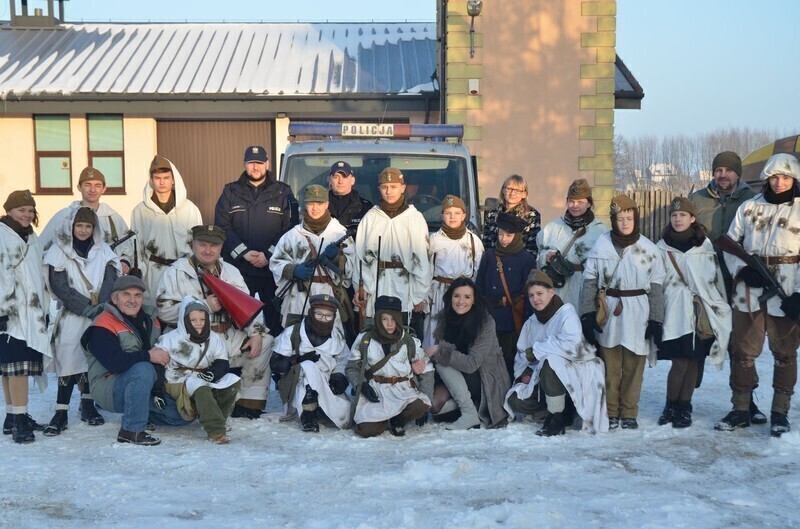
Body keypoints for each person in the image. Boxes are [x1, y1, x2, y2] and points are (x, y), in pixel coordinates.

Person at [715, 153, 800, 438]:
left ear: (794, 179)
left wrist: (798, 294)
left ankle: (780, 412)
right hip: (748, 292)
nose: (779, 183)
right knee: (742, 352)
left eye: (785, 177)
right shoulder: (750, 208)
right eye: (774, 177)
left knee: (785, 354)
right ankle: (741, 409)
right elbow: (730, 245)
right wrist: (742, 270)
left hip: (787, 289)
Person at [155, 225, 272, 420]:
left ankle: (248, 404)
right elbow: (164, 310)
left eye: (214, 245)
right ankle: (195, 401)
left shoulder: (231, 272)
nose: (208, 250)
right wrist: (203, 306)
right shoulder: (176, 272)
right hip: (191, 342)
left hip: (225, 336)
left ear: (221, 247)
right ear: (193, 244)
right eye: (202, 245)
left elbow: (248, 306)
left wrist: (256, 333)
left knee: (265, 341)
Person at [689, 151, 765, 424]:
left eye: (728, 170)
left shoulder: (752, 200)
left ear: (738, 174)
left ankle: (747, 402)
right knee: (697, 339)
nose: (723, 175)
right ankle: (681, 400)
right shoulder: (697, 199)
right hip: (705, 281)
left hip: (739, 280)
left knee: (740, 344)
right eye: (718, 170)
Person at [580, 195, 665, 430]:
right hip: (609, 312)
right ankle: (611, 411)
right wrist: (587, 313)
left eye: (629, 218)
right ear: (613, 220)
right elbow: (589, 280)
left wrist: (656, 320)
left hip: (638, 310)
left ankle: (629, 411)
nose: (625, 223)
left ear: (635, 218)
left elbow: (656, 287)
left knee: (633, 366)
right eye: (620, 219)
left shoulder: (649, 248)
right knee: (610, 366)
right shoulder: (602, 245)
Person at [81, 276, 192, 446]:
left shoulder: (151, 319)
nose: (132, 300)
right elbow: (115, 363)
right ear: (114, 298)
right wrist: (148, 355)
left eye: (138, 295)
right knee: (143, 368)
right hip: (108, 386)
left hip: (144, 385)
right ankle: (131, 430)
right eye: (126, 294)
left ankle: (138, 413)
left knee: (180, 416)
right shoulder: (102, 324)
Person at [42, 206, 121, 436]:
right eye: (80, 226)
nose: (84, 230)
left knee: (91, 359)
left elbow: (110, 277)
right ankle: (61, 411)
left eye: (88, 226)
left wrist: (101, 305)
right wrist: (85, 308)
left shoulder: (104, 250)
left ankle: (88, 404)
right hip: (73, 315)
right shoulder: (59, 251)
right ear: (71, 226)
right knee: (68, 357)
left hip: (99, 313)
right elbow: (60, 286)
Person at [655, 197, 731, 428]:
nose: (678, 219)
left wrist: (720, 307)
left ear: (692, 218)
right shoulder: (661, 247)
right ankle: (671, 405)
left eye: (683, 215)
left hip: (701, 312)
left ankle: (684, 406)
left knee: (695, 361)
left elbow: (715, 279)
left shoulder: (705, 247)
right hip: (674, 313)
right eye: (674, 215)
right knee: (679, 361)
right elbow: (657, 281)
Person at [504, 271, 608, 436]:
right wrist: (526, 371)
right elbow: (522, 352)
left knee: (550, 361)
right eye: (531, 295)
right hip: (542, 375)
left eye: (540, 294)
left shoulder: (566, 314)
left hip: (576, 367)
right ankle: (562, 407)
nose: (535, 299)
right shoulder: (531, 322)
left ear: (551, 293)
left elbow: (571, 344)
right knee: (514, 401)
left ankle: (556, 416)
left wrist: (537, 351)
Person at [215, 146, 297, 337]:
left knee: (276, 322)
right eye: (251, 162)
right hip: (239, 270)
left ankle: (276, 362)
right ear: (245, 164)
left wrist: (269, 255)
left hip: (272, 271)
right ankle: (239, 362)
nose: (255, 167)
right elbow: (222, 225)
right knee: (238, 320)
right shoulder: (230, 192)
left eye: (259, 163)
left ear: (267, 164)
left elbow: (290, 228)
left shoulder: (282, 192)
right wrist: (243, 252)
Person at [353, 167, 431, 337]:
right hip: (376, 286)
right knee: (376, 334)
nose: (389, 191)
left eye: (394, 186)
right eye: (384, 187)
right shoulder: (371, 218)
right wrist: (363, 288)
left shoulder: (414, 218)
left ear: (403, 187)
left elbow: (422, 259)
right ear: (379, 189)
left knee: (403, 336)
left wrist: (419, 294)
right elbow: (360, 256)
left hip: (405, 287)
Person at [424, 278, 509, 430]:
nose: (461, 301)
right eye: (456, 296)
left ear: (474, 300)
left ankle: (470, 413)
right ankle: (472, 407)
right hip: (456, 376)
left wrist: (439, 350)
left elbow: (472, 364)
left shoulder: (485, 322)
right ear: (450, 297)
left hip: (483, 380)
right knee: (435, 406)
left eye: (467, 297)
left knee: (443, 359)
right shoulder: (445, 318)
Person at [156, 296, 241, 444]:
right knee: (201, 387)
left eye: (202, 319)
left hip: (203, 376)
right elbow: (157, 365)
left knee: (233, 381)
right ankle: (215, 431)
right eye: (193, 320)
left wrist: (213, 374)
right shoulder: (168, 339)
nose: (198, 324)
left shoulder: (213, 338)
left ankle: (219, 417)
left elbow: (222, 361)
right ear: (185, 319)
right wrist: (157, 390)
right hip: (177, 379)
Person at [269, 184, 355, 330]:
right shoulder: (292, 235)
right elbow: (275, 262)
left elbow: (352, 269)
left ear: (327, 204)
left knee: (329, 343)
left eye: (319, 203)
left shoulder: (340, 233)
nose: (315, 208)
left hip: (329, 295)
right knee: (296, 340)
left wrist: (337, 258)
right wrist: (293, 270)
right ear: (305, 205)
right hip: (299, 297)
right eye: (310, 203)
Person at [0, 190, 49, 443]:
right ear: (9, 211)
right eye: (22, 210)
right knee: (17, 367)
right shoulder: (2, 235)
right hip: (11, 312)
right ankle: (20, 421)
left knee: (12, 369)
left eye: (30, 211)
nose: (27, 215)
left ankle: (11, 416)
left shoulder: (31, 236)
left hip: (31, 312)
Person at [346, 295, 432, 437]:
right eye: (384, 319)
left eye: (394, 319)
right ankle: (387, 420)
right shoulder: (365, 339)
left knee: (419, 406)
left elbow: (427, 368)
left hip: (403, 390)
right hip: (376, 390)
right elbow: (351, 367)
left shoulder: (408, 340)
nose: (390, 324)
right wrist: (361, 385)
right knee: (367, 431)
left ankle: (397, 419)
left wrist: (426, 396)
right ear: (378, 319)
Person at [271, 294, 351, 432]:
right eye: (319, 314)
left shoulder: (337, 336)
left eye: (328, 316)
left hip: (326, 382)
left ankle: (319, 408)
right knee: (308, 366)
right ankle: (308, 414)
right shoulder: (293, 332)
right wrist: (297, 360)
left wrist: (338, 378)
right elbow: (276, 364)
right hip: (296, 382)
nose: (323, 319)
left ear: (333, 317)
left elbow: (343, 361)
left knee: (344, 413)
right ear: (311, 312)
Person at [131, 155, 203, 306]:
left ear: (173, 179)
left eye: (166, 177)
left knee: (185, 312)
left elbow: (199, 244)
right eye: (157, 178)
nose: (162, 182)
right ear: (151, 180)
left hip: (183, 271)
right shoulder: (141, 211)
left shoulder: (189, 209)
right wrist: (139, 274)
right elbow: (137, 246)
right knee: (154, 314)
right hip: (153, 273)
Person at [475, 212, 536, 379]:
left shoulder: (527, 259)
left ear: (517, 236)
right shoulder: (489, 255)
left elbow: (530, 293)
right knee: (488, 359)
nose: (503, 238)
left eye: (509, 235)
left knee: (510, 360)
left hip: (512, 318)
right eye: (501, 234)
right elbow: (479, 286)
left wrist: (527, 321)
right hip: (490, 316)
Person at [40, 166, 134, 274]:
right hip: (73, 279)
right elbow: (41, 247)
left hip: (108, 279)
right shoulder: (65, 216)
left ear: (104, 189)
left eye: (97, 185)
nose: (93, 190)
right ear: (79, 187)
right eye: (87, 185)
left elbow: (128, 249)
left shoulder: (113, 217)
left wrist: (125, 261)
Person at [423, 195, 484, 347]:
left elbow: (478, 271)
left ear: (464, 215)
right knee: (436, 330)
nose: (452, 217)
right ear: (442, 215)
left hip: (463, 295)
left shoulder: (473, 241)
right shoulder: (434, 240)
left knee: (461, 331)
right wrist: (425, 297)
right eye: (448, 213)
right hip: (440, 294)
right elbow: (426, 271)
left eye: (457, 213)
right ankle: (433, 366)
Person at [536, 178, 606, 308]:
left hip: (584, 287)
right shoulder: (553, 227)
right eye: (571, 201)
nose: (575, 205)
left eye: (580, 202)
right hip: (557, 287)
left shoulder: (600, 231)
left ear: (589, 203)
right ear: (567, 202)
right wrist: (546, 256)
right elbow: (539, 251)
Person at [481, 174, 541, 256]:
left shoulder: (531, 215)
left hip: (519, 263)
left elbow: (532, 247)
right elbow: (486, 242)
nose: (512, 193)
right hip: (495, 262)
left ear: (524, 194)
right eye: (509, 189)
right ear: (503, 190)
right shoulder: (492, 213)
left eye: (518, 190)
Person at [327, 161, 373, 234]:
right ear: (329, 180)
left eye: (344, 177)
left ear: (352, 180)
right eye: (336, 177)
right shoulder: (320, 206)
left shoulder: (365, 208)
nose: (340, 181)